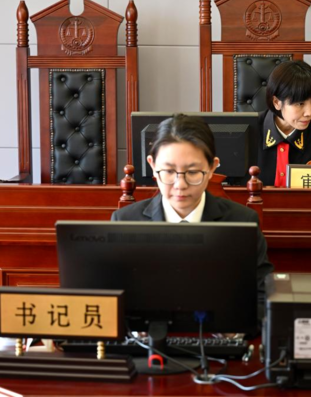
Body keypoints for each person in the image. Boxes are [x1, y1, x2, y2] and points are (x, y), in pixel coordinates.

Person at [111, 114, 273, 297]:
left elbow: (262, 296)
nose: (180, 184)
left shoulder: (243, 223)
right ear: (152, 165)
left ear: (212, 167)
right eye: (169, 171)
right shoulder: (125, 222)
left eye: (193, 172)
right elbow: (114, 298)